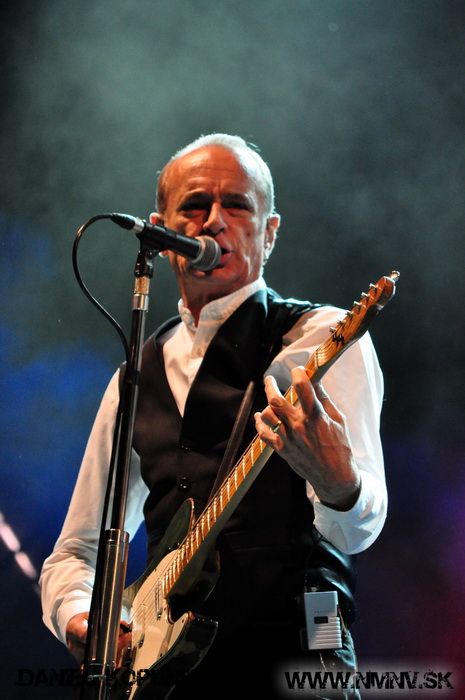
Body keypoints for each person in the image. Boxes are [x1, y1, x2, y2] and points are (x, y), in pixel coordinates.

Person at [40, 133, 387, 699]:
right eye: (196, 206)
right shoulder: (136, 374)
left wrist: (338, 483)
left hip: (301, 659)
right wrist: (81, 616)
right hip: (168, 677)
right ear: (163, 233)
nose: (215, 222)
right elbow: (76, 552)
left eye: (238, 206)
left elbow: (358, 530)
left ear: (269, 232)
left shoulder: (321, 337)